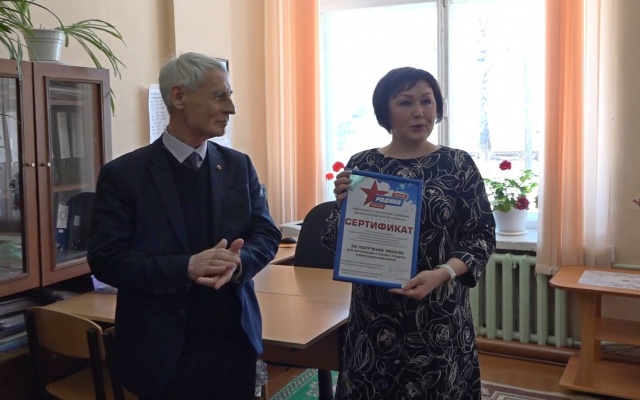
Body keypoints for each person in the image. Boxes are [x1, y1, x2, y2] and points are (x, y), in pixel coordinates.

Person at [87, 52, 282, 400]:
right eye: (219, 96)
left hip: (233, 345)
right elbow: (107, 259)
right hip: (160, 354)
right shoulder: (124, 175)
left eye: (229, 96)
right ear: (178, 97)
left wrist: (240, 263)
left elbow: (266, 233)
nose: (231, 108)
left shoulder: (238, 166)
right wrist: (186, 267)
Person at [322, 67, 496, 399]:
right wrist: (342, 205)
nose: (419, 111)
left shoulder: (457, 164)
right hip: (374, 316)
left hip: (438, 314)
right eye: (405, 102)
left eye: (427, 101)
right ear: (384, 111)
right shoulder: (363, 165)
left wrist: (442, 273)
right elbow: (333, 241)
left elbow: (481, 236)